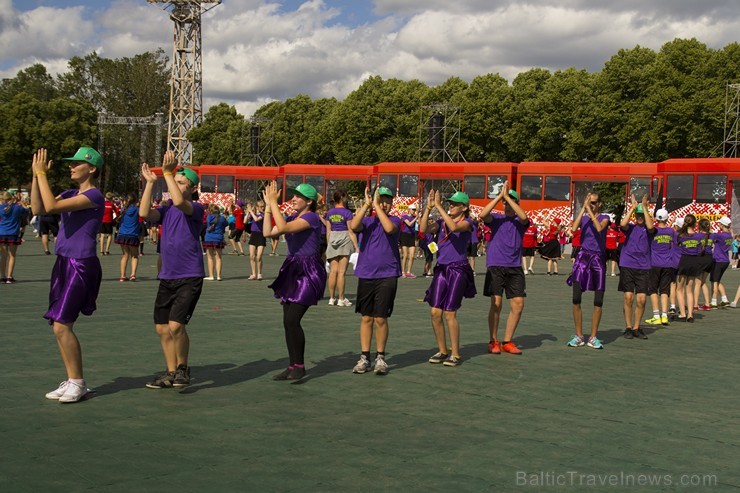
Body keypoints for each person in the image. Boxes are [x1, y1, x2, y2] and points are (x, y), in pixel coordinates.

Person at [32, 147, 104, 403]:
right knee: (58, 327)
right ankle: (72, 379)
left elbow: (51, 205)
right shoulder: (71, 193)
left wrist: (42, 173)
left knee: (63, 325)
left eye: (76, 164)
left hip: (81, 264)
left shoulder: (94, 195)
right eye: (70, 163)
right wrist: (35, 176)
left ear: (91, 169)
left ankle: (78, 382)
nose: (70, 167)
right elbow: (39, 207)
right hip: (63, 262)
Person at [140, 152, 205, 389]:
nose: (174, 185)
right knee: (161, 327)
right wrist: (150, 183)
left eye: (180, 182)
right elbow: (144, 213)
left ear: (192, 188)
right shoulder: (166, 210)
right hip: (167, 276)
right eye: (174, 181)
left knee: (176, 325)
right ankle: (170, 371)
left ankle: (183, 369)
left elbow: (179, 201)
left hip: (189, 275)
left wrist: (167, 172)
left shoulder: (196, 208)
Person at [263, 182, 326, 381]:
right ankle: (293, 366)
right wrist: (267, 208)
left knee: (292, 319)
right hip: (293, 268)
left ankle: (299, 365)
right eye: (293, 196)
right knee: (287, 321)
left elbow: (282, 228)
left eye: (298, 196)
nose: (293, 199)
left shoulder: (311, 217)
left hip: (308, 270)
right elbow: (268, 232)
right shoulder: (292, 216)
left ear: (309, 202)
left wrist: (274, 202)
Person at [420, 190, 476, 366]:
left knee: (450, 312)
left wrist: (439, 207)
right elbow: (422, 230)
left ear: (464, 207)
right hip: (441, 269)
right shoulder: (441, 222)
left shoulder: (468, 222)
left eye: (454, 204)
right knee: (435, 312)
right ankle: (442, 350)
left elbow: (455, 228)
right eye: (449, 203)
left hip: (458, 269)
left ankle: (456, 354)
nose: (450, 206)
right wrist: (428, 208)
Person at [349, 186, 401, 375]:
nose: (384, 203)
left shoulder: (395, 219)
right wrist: (366, 205)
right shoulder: (368, 221)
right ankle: (364, 357)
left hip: (387, 274)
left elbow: (388, 228)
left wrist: (377, 206)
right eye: (381, 200)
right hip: (366, 273)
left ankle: (380, 357)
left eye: (387, 200)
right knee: (366, 317)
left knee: (381, 318)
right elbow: (353, 226)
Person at [480, 183, 529, 355]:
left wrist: (508, 197)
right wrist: (499, 198)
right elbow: (482, 214)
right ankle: (493, 340)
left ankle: (507, 341)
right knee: (496, 303)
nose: (508, 205)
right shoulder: (496, 219)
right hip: (496, 265)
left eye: (512, 202)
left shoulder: (520, 222)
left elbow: (524, 216)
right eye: (506, 203)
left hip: (515, 266)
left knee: (518, 304)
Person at [566, 193, 610, 349]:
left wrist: (590, 212)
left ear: (599, 203)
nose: (591, 205)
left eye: (594, 203)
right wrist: (582, 210)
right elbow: (573, 228)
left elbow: (599, 228)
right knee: (576, 298)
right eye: (589, 202)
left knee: (598, 300)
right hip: (583, 257)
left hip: (597, 259)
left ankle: (593, 336)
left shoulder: (605, 217)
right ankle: (579, 335)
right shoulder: (584, 218)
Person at [617, 195, 654, 340]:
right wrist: (632, 208)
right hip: (627, 264)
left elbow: (650, 226)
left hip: (644, 267)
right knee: (628, 297)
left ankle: (637, 327)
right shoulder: (630, 228)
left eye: (641, 215)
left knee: (642, 299)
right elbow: (622, 224)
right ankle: (628, 327)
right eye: (637, 215)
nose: (639, 218)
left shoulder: (649, 229)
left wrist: (644, 208)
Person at [644, 208, 676, 327]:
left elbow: (650, 227)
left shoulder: (653, 231)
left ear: (656, 219)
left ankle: (656, 315)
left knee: (652, 290)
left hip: (654, 264)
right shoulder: (671, 231)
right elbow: (667, 231)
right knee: (664, 290)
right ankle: (664, 315)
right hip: (667, 264)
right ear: (667, 218)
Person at [326, 190, 358, 306]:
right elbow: (351, 231)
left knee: (333, 271)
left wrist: (328, 243)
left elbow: (328, 230)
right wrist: (356, 246)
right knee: (341, 272)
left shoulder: (329, 213)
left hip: (333, 238)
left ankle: (331, 298)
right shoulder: (347, 213)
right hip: (344, 238)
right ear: (343, 198)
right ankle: (341, 298)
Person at [675, 214, 702, 323]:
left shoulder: (681, 235)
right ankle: (690, 314)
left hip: (684, 261)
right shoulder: (698, 237)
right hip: (694, 261)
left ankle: (682, 313)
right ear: (695, 224)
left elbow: (676, 247)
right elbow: (700, 251)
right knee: (689, 289)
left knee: (679, 289)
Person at [0, 191, 28, 283]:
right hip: (13, 233)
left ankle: (2, 276)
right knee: (12, 256)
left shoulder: (0, 208)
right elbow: (27, 211)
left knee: (3, 256)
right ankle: (9, 277)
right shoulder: (17, 208)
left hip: (2, 233)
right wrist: (23, 204)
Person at [114, 194, 141, 282]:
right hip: (133, 235)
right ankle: (133, 274)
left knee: (125, 255)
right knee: (134, 255)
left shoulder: (123, 210)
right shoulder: (137, 210)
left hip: (123, 235)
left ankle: (122, 275)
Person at [709, 216, 733, 308]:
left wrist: (709, 227)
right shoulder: (729, 236)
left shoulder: (720, 235)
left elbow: (711, 235)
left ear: (722, 225)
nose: (718, 224)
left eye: (719, 223)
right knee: (717, 280)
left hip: (718, 260)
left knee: (715, 281)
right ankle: (724, 299)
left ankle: (714, 301)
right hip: (725, 260)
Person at [203, 204, 228, 281]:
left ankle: (211, 275)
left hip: (209, 238)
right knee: (219, 257)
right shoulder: (222, 218)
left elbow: (207, 224)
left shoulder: (209, 217)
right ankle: (218, 276)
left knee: (210, 257)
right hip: (219, 238)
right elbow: (226, 225)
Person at [246, 200, 267, 280]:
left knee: (259, 256)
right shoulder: (253, 214)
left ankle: (259, 273)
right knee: (251, 256)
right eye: (261, 206)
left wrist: (250, 211)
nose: (262, 208)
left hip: (261, 235)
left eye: (263, 206)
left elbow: (256, 219)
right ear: (257, 207)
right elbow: (245, 221)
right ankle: (253, 274)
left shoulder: (263, 214)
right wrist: (248, 212)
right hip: (253, 235)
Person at [400, 204, 418, 278]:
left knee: (412, 255)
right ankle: (402, 271)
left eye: (414, 209)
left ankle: (408, 272)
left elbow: (418, 224)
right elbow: (409, 224)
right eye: (413, 209)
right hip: (404, 236)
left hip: (411, 236)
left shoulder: (414, 217)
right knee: (405, 255)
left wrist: (418, 218)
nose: (414, 211)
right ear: (409, 209)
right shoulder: (405, 217)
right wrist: (416, 217)